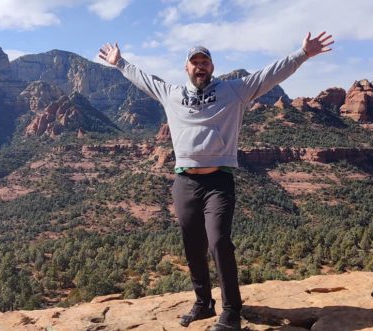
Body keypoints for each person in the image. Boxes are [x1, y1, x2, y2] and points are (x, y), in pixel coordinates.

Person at [99, 32, 333, 330]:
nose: (200, 66)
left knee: (219, 242)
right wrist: (119, 63)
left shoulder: (234, 91)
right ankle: (203, 304)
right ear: (186, 68)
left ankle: (232, 309)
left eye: (204, 62)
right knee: (192, 246)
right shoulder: (170, 92)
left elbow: (269, 74)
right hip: (184, 182)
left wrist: (301, 55)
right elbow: (143, 78)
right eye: (194, 62)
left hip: (218, 181)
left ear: (212, 67)